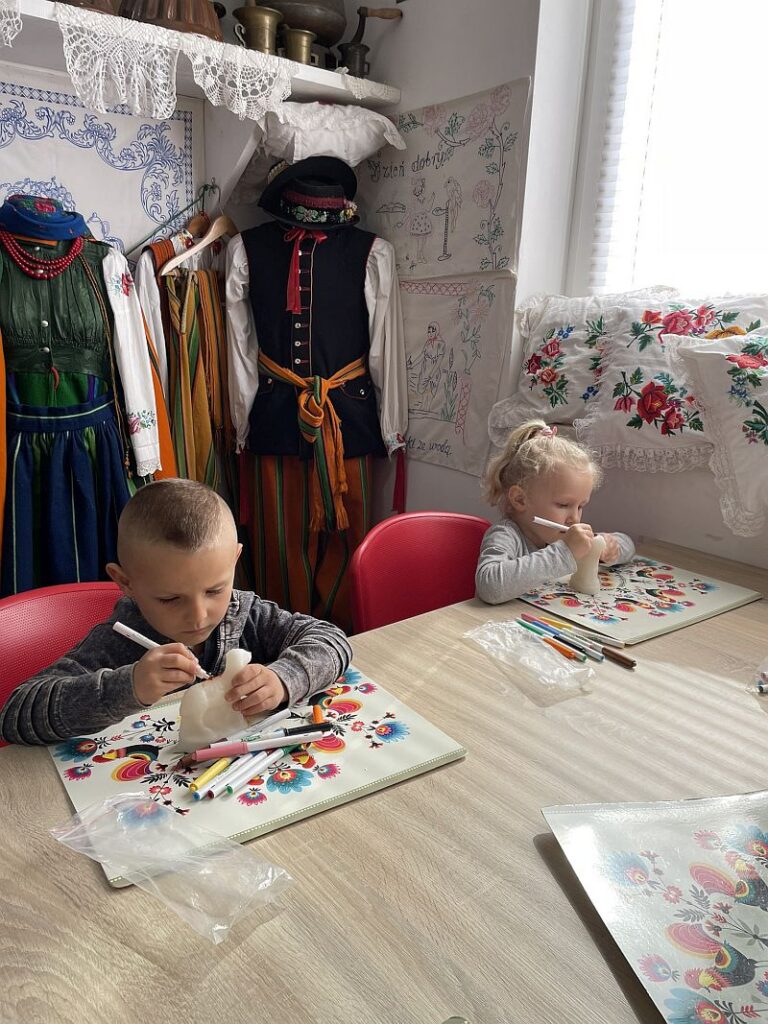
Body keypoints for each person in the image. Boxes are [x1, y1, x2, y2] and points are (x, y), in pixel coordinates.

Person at [0, 478, 352, 745]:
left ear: (234, 560)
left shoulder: (244, 614)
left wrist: (284, 678)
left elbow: (332, 639)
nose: (199, 616)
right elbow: (15, 716)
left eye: (214, 590)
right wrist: (129, 687)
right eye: (170, 599)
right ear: (125, 583)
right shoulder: (116, 642)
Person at [475, 420, 635, 604]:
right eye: (563, 504)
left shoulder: (559, 536)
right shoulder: (506, 535)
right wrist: (564, 552)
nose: (574, 518)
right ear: (520, 499)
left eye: (580, 506)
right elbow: (490, 587)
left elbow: (629, 544)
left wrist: (607, 547)